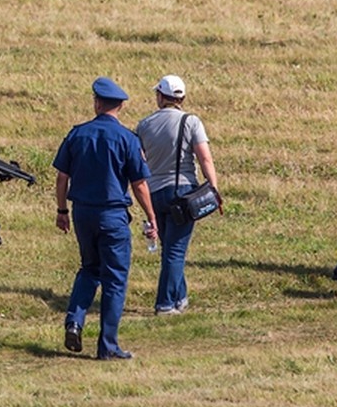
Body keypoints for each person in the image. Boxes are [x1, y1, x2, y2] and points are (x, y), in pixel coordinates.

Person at [53, 77, 158, 361]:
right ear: (120, 107)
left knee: (88, 268)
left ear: (97, 103)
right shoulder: (128, 139)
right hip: (112, 215)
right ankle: (107, 345)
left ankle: (74, 321)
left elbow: (62, 177)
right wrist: (151, 217)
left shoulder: (77, 134)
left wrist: (61, 210)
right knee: (114, 279)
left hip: (82, 213)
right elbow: (139, 184)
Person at [136, 75, 221, 316]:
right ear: (181, 98)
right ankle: (165, 304)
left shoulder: (144, 125)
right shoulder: (191, 122)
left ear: (161, 97)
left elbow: (138, 161)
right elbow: (204, 157)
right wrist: (213, 187)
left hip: (154, 194)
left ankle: (180, 297)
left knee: (170, 249)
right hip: (182, 191)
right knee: (175, 251)